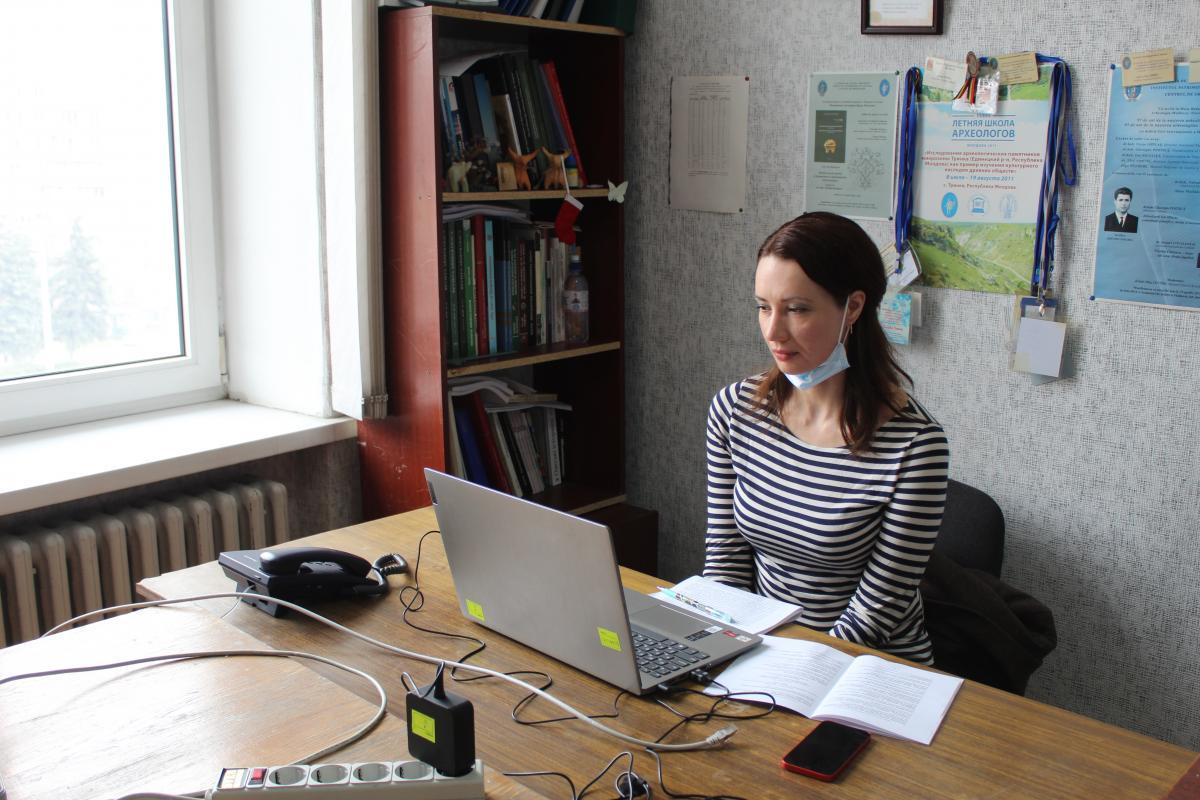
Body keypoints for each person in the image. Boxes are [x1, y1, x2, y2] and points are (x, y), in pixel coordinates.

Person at [703, 212, 949, 664]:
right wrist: (723, 651)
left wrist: (794, 668)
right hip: (763, 654)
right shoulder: (735, 412)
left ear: (852, 307)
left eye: (796, 309)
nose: (773, 331)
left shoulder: (915, 445)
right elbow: (725, 563)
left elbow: (879, 608)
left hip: (869, 663)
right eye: (763, 307)